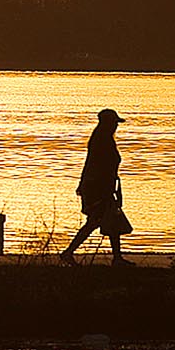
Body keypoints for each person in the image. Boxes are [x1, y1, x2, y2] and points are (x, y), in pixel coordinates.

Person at [62, 108, 129, 264]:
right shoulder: (101, 140)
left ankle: (117, 258)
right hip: (98, 188)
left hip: (103, 186)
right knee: (95, 221)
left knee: (112, 221)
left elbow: (90, 163)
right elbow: (94, 165)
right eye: (114, 123)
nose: (116, 126)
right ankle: (68, 252)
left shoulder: (103, 138)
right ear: (107, 123)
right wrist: (101, 189)